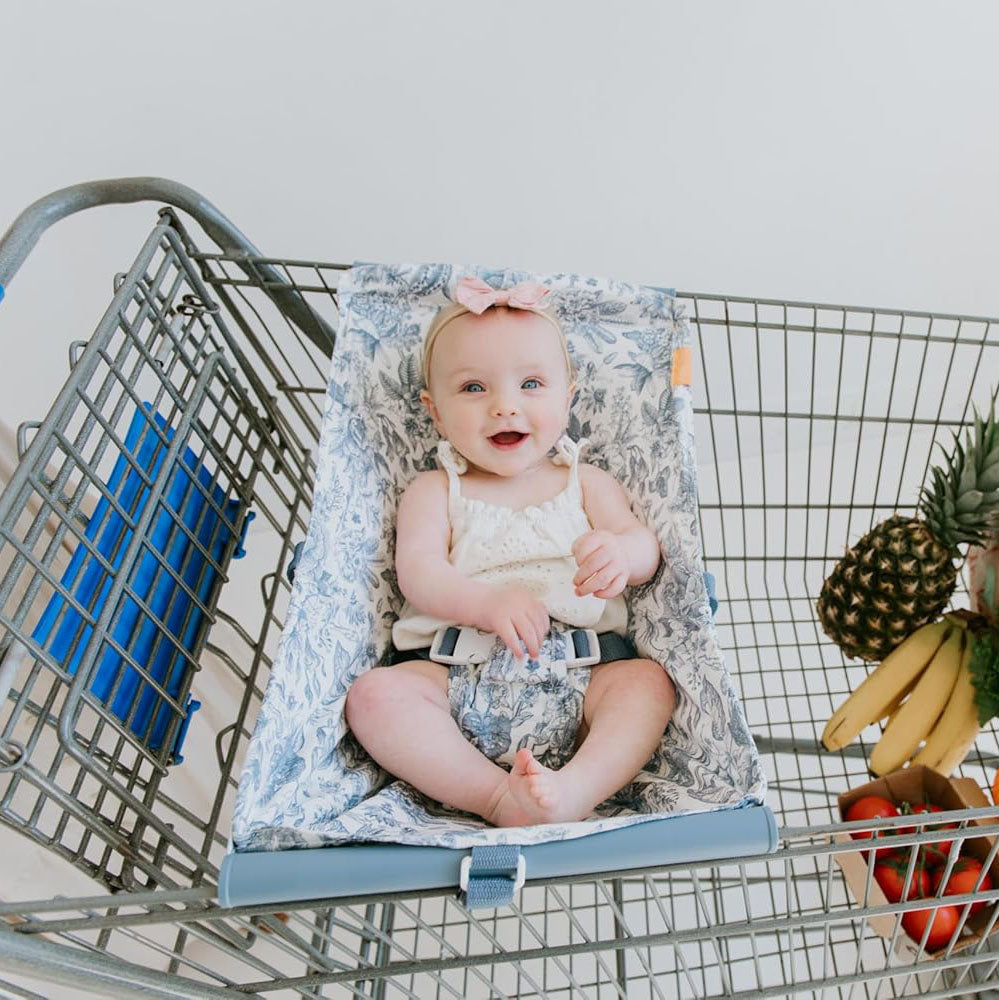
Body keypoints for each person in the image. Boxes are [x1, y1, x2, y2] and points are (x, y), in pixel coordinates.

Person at [345, 276, 676, 827]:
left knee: (649, 685)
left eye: (531, 384)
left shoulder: (586, 482)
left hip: (584, 672)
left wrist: (620, 554)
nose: (504, 407)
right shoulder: (434, 489)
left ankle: (575, 789)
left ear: (568, 397)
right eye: (474, 388)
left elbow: (643, 545)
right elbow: (418, 573)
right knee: (374, 697)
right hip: (453, 673)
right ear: (435, 411)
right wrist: (485, 603)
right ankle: (494, 796)